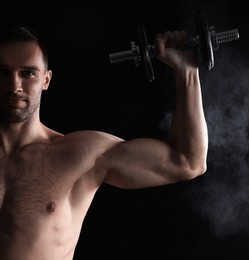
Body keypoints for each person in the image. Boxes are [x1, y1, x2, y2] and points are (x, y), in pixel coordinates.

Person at [0, 23, 208, 260]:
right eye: (2, 72)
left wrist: (187, 72)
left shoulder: (79, 154)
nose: (14, 86)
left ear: (46, 80)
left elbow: (188, 161)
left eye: (27, 73)